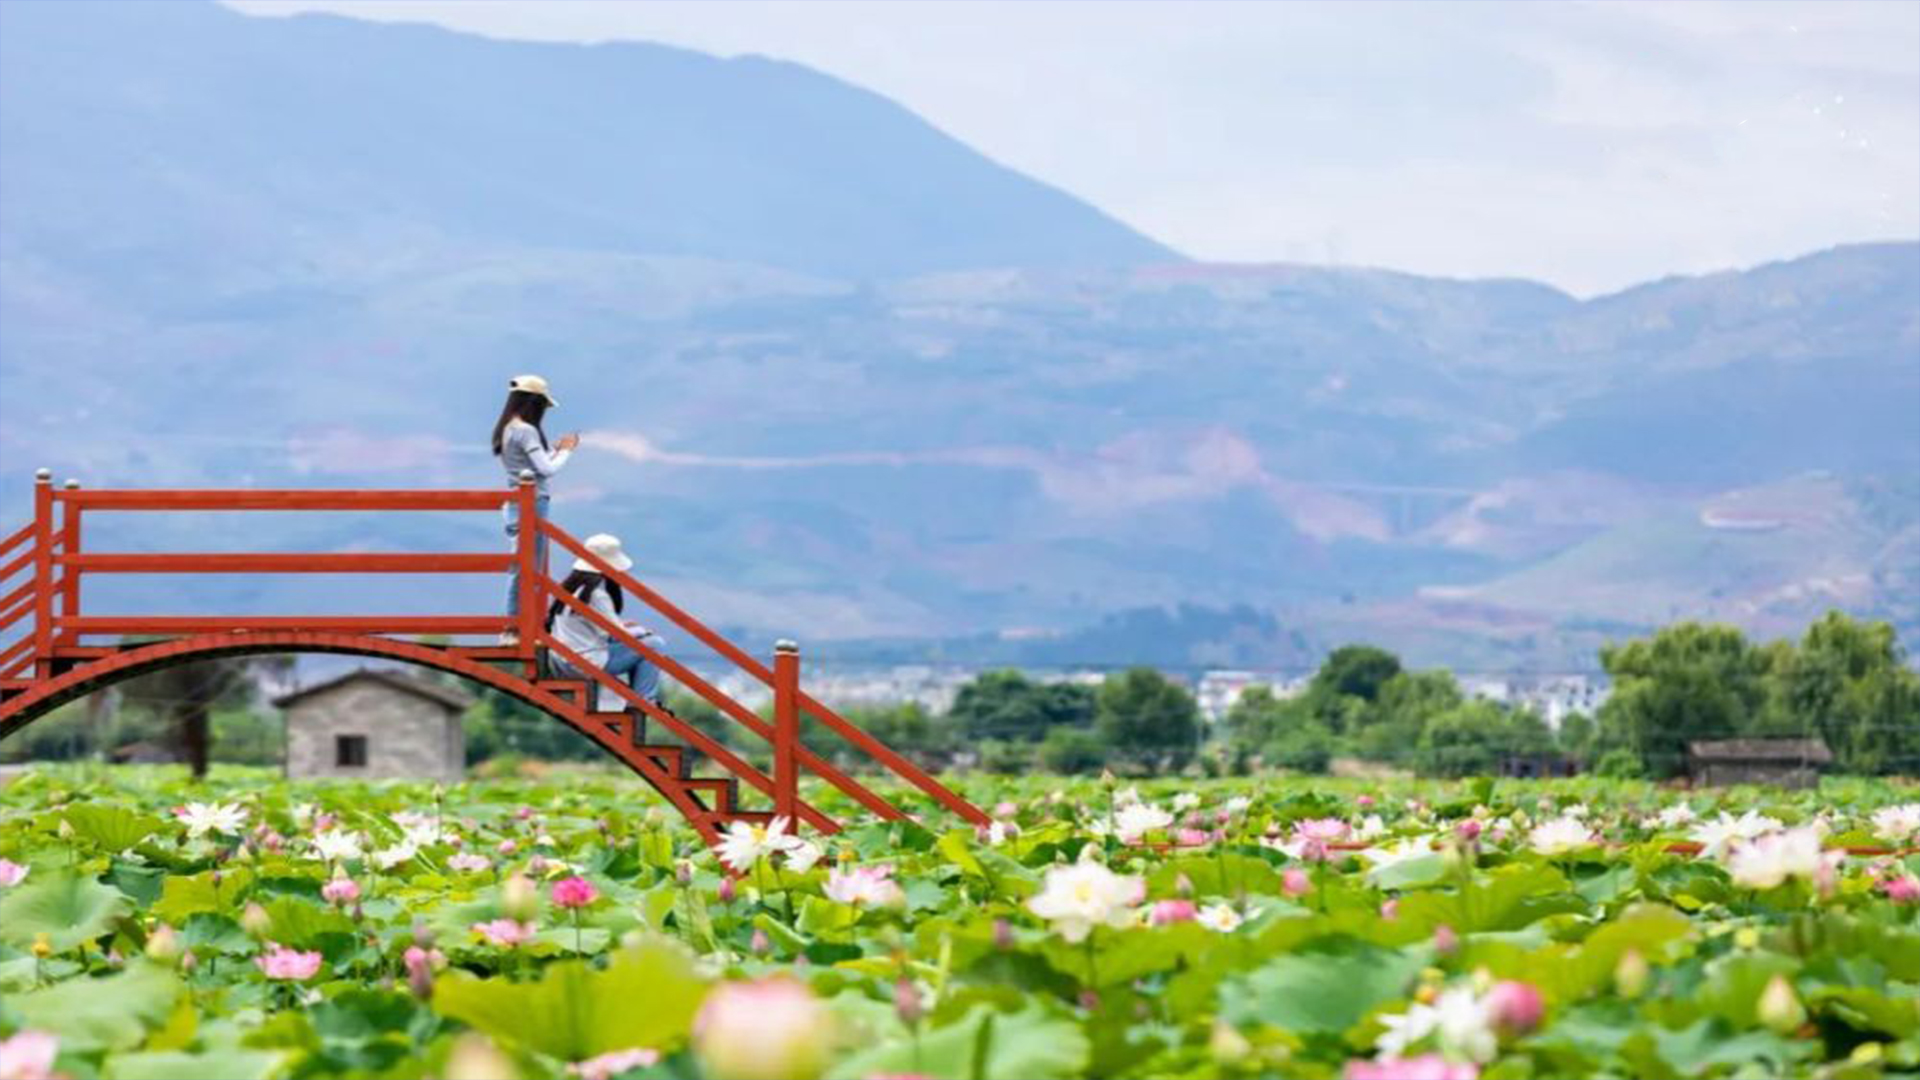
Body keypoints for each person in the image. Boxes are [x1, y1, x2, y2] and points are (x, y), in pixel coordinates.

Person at [491, 374, 578, 644]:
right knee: (528, 568)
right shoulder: (526, 430)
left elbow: (533, 468)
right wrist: (567, 451)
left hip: (515, 501)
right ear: (534, 402)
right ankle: (514, 628)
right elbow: (546, 470)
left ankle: (516, 627)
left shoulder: (508, 428)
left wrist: (552, 451)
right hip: (531, 505)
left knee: (524, 566)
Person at [546, 533, 667, 708]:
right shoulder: (597, 595)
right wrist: (641, 632)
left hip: (562, 661)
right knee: (654, 644)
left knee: (643, 642)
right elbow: (617, 635)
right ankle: (643, 701)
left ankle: (640, 700)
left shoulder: (572, 589)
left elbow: (595, 628)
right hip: (585, 663)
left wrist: (627, 628)